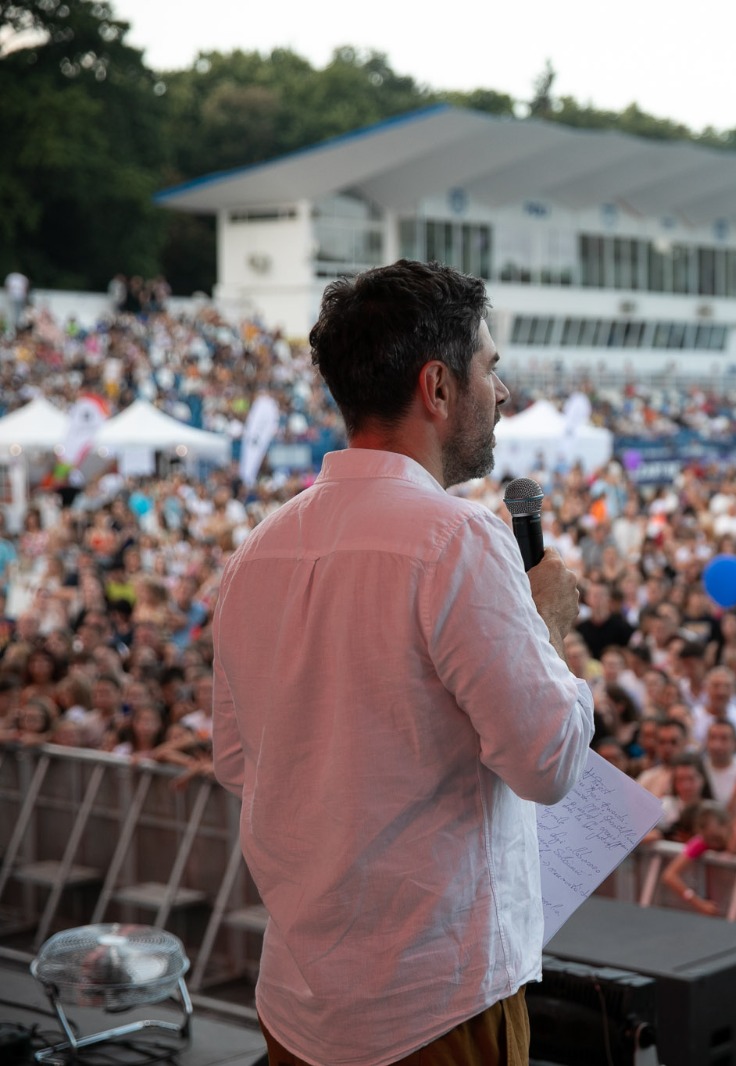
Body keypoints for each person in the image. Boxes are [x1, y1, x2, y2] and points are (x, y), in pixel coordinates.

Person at [211, 261, 594, 1066]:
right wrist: (548, 622)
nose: (503, 392)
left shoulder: (258, 551)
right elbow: (548, 763)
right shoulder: (457, 538)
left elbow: (240, 762)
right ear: (438, 387)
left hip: (298, 1003)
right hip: (435, 1005)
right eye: (489, 367)